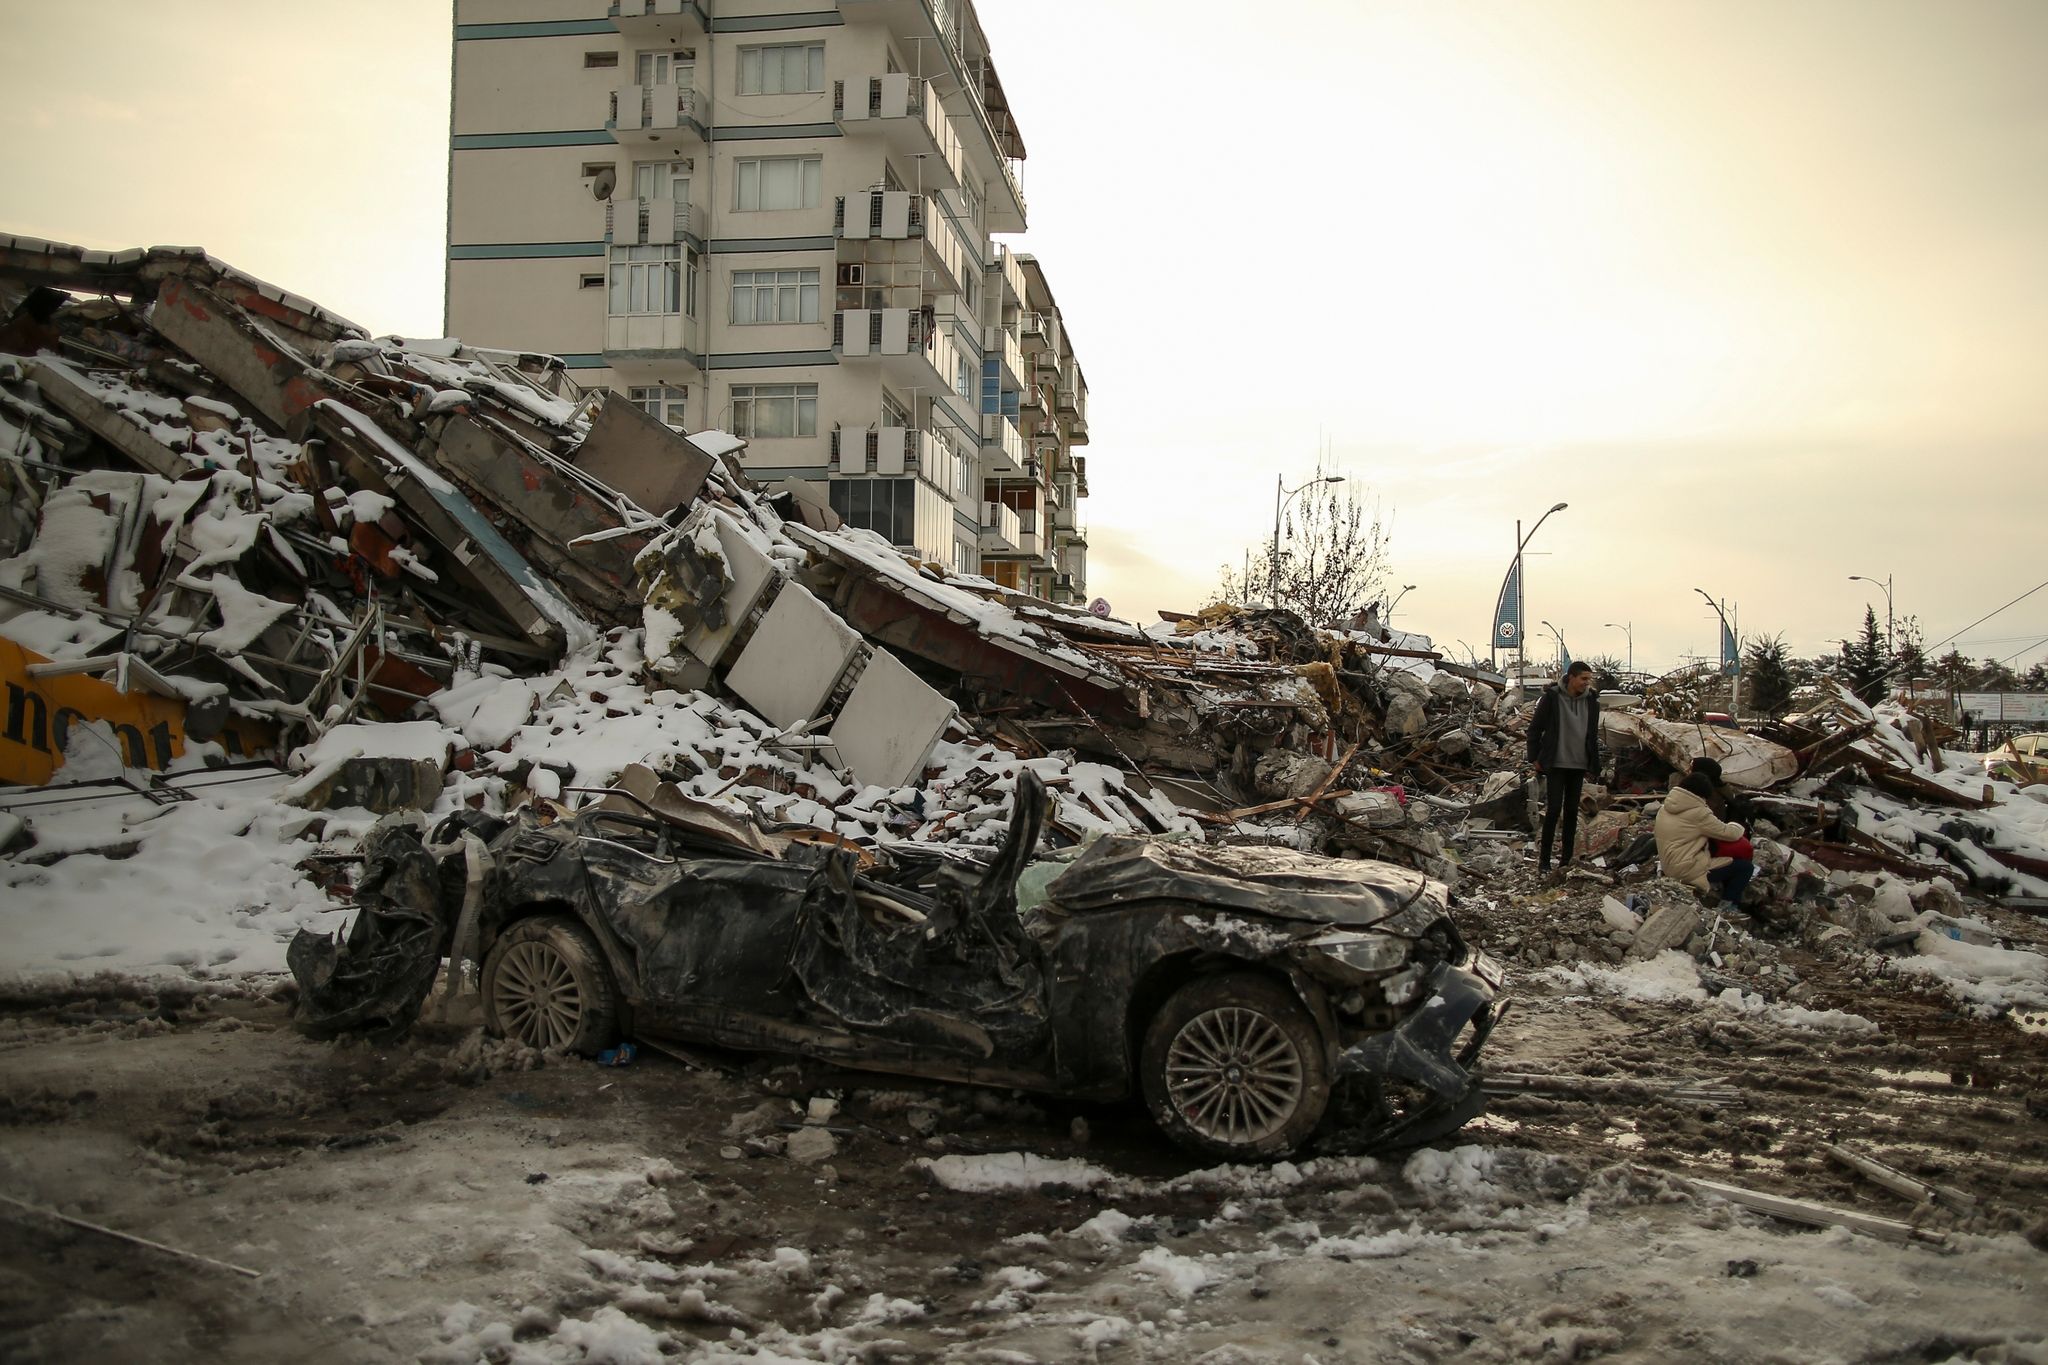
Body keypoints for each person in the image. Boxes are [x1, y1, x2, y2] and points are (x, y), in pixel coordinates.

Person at [1525, 660, 1601, 874]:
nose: (1587, 683)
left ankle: (1566, 861)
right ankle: (1544, 861)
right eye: (1583, 679)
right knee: (1553, 810)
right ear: (1571, 677)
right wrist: (1535, 757)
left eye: (1589, 679)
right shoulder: (1552, 698)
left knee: (1571, 812)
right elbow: (1535, 729)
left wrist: (1594, 764)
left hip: (1578, 765)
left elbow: (1592, 735)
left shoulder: (1592, 702)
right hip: (1556, 763)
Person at [1654, 765, 1753, 910]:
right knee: (1745, 867)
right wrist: (1737, 824)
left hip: (1668, 865)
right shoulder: (1698, 813)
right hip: (1687, 869)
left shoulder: (1665, 807)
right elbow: (1730, 833)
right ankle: (1728, 906)